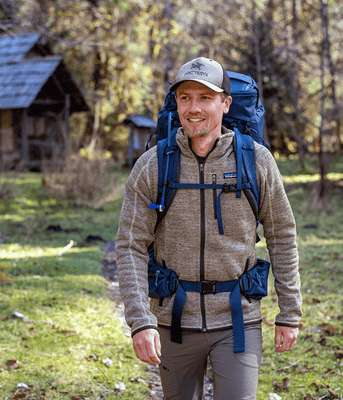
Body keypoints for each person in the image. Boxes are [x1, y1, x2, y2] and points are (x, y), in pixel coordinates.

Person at [116, 57, 302, 400]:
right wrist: (141, 321)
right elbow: (130, 245)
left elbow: (282, 234)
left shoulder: (255, 161)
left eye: (205, 97)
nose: (193, 108)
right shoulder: (153, 165)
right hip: (173, 323)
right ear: (176, 103)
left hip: (238, 322)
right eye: (185, 98)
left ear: (225, 103)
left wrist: (289, 312)